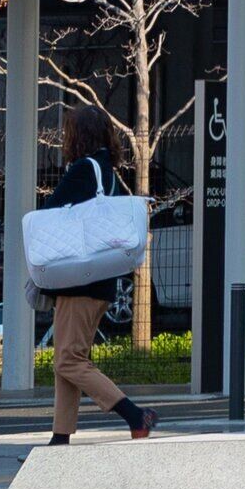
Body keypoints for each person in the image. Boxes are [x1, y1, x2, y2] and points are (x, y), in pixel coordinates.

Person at [41, 105, 155, 445]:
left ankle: (135, 415)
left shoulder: (82, 171)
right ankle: (60, 438)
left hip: (79, 280)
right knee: (69, 358)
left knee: (68, 360)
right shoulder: (106, 171)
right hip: (98, 281)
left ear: (79, 135)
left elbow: (51, 212)